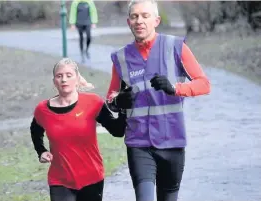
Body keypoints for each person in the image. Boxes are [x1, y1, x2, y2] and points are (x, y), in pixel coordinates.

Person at [106, 0, 211, 201]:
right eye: (135, 16)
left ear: (156, 20)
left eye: (145, 16)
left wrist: (175, 88)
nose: (140, 21)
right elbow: (110, 98)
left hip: (172, 140)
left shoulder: (175, 47)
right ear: (129, 22)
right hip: (139, 143)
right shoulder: (120, 58)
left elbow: (204, 84)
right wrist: (118, 101)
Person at [30, 58, 126, 201]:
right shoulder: (43, 109)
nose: (64, 80)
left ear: (77, 79)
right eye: (59, 76)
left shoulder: (93, 102)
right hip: (60, 180)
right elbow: (35, 130)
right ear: (54, 81)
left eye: (69, 75)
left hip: (92, 177)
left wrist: (124, 107)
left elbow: (118, 131)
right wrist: (41, 151)